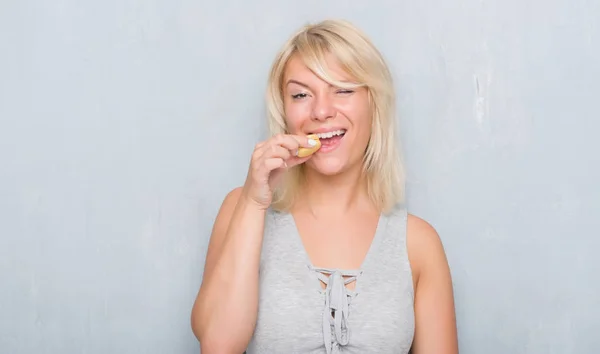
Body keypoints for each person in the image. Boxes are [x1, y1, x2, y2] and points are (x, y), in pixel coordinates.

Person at [191, 19, 458, 354]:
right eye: (301, 94)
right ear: (284, 110)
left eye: (343, 90)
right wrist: (254, 203)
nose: (320, 111)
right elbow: (217, 345)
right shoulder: (242, 209)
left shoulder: (419, 243)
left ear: (374, 103)